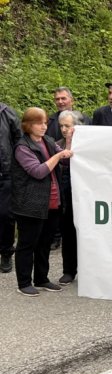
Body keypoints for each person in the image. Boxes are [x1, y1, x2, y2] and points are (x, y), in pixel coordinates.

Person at [12, 108, 72, 296]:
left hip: (52, 202)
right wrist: (57, 156)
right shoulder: (23, 147)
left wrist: (68, 143)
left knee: (44, 243)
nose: (44, 126)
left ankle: (41, 278)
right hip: (29, 204)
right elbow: (38, 172)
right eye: (39, 123)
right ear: (28, 125)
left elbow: (65, 160)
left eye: (45, 122)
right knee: (27, 244)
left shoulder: (48, 141)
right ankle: (24, 282)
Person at [55, 110, 84, 285]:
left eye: (68, 125)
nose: (64, 129)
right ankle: (69, 270)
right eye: (62, 126)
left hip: (85, 195)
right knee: (68, 231)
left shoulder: (87, 145)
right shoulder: (57, 145)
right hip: (66, 196)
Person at [0, 101, 22, 273]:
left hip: (5, 173)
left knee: (6, 215)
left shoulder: (7, 113)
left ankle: (6, 252)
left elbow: (19, 142)